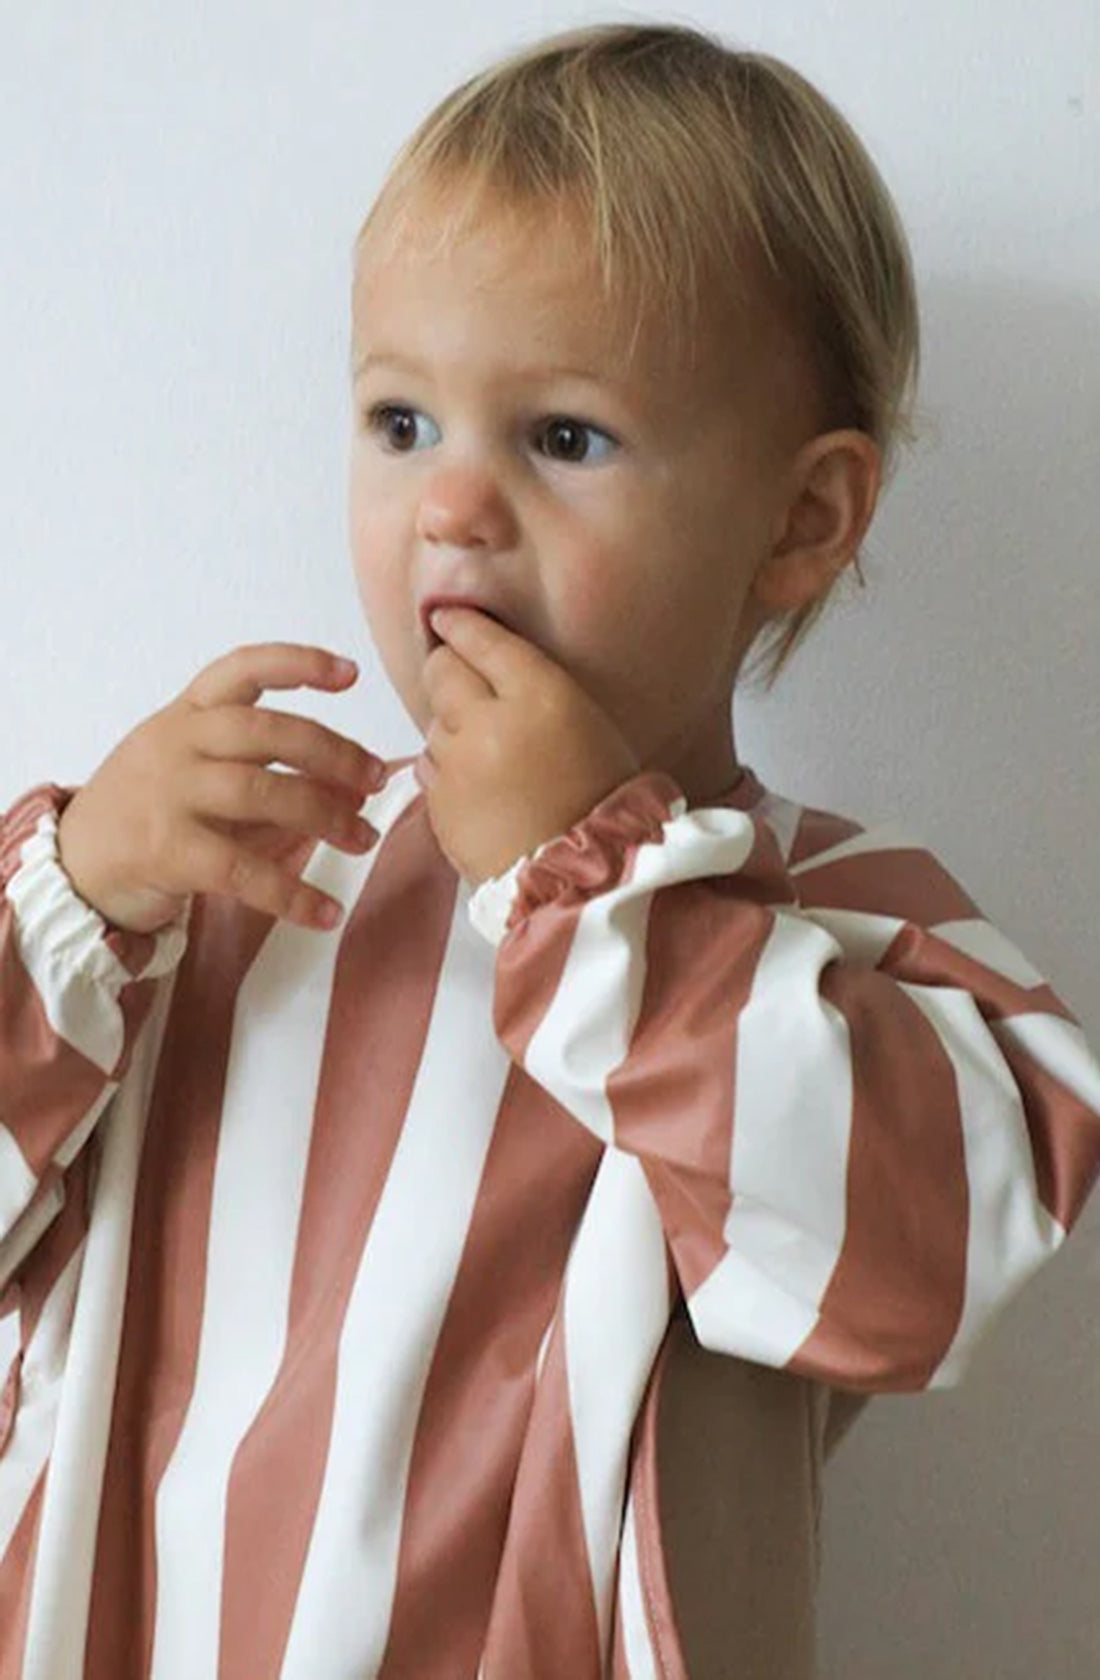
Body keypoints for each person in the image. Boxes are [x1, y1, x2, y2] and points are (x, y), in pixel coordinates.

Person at [2, 21, 1098, 1679]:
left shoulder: (841, 934)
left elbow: (916, 1277)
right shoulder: (231, 873)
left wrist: (591, 886)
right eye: (399, 422)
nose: (451, 506)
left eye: (562, 437)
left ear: (801, 521)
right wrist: (72, 901)